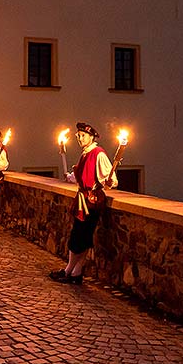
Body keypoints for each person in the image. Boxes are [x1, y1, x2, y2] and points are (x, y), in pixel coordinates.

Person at [49, 122, 116, 285]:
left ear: (91, 137)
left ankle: (70, 271)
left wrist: (107, 182)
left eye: (83, 135)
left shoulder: (98, 154)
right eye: (78, 135)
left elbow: (112, 180)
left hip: (91, 201)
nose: (79, 138)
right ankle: (75, 272)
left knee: (80, 235)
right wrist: (70, 176)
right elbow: (82, 175)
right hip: (82, 199)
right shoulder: (85, 154)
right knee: (80, 235)